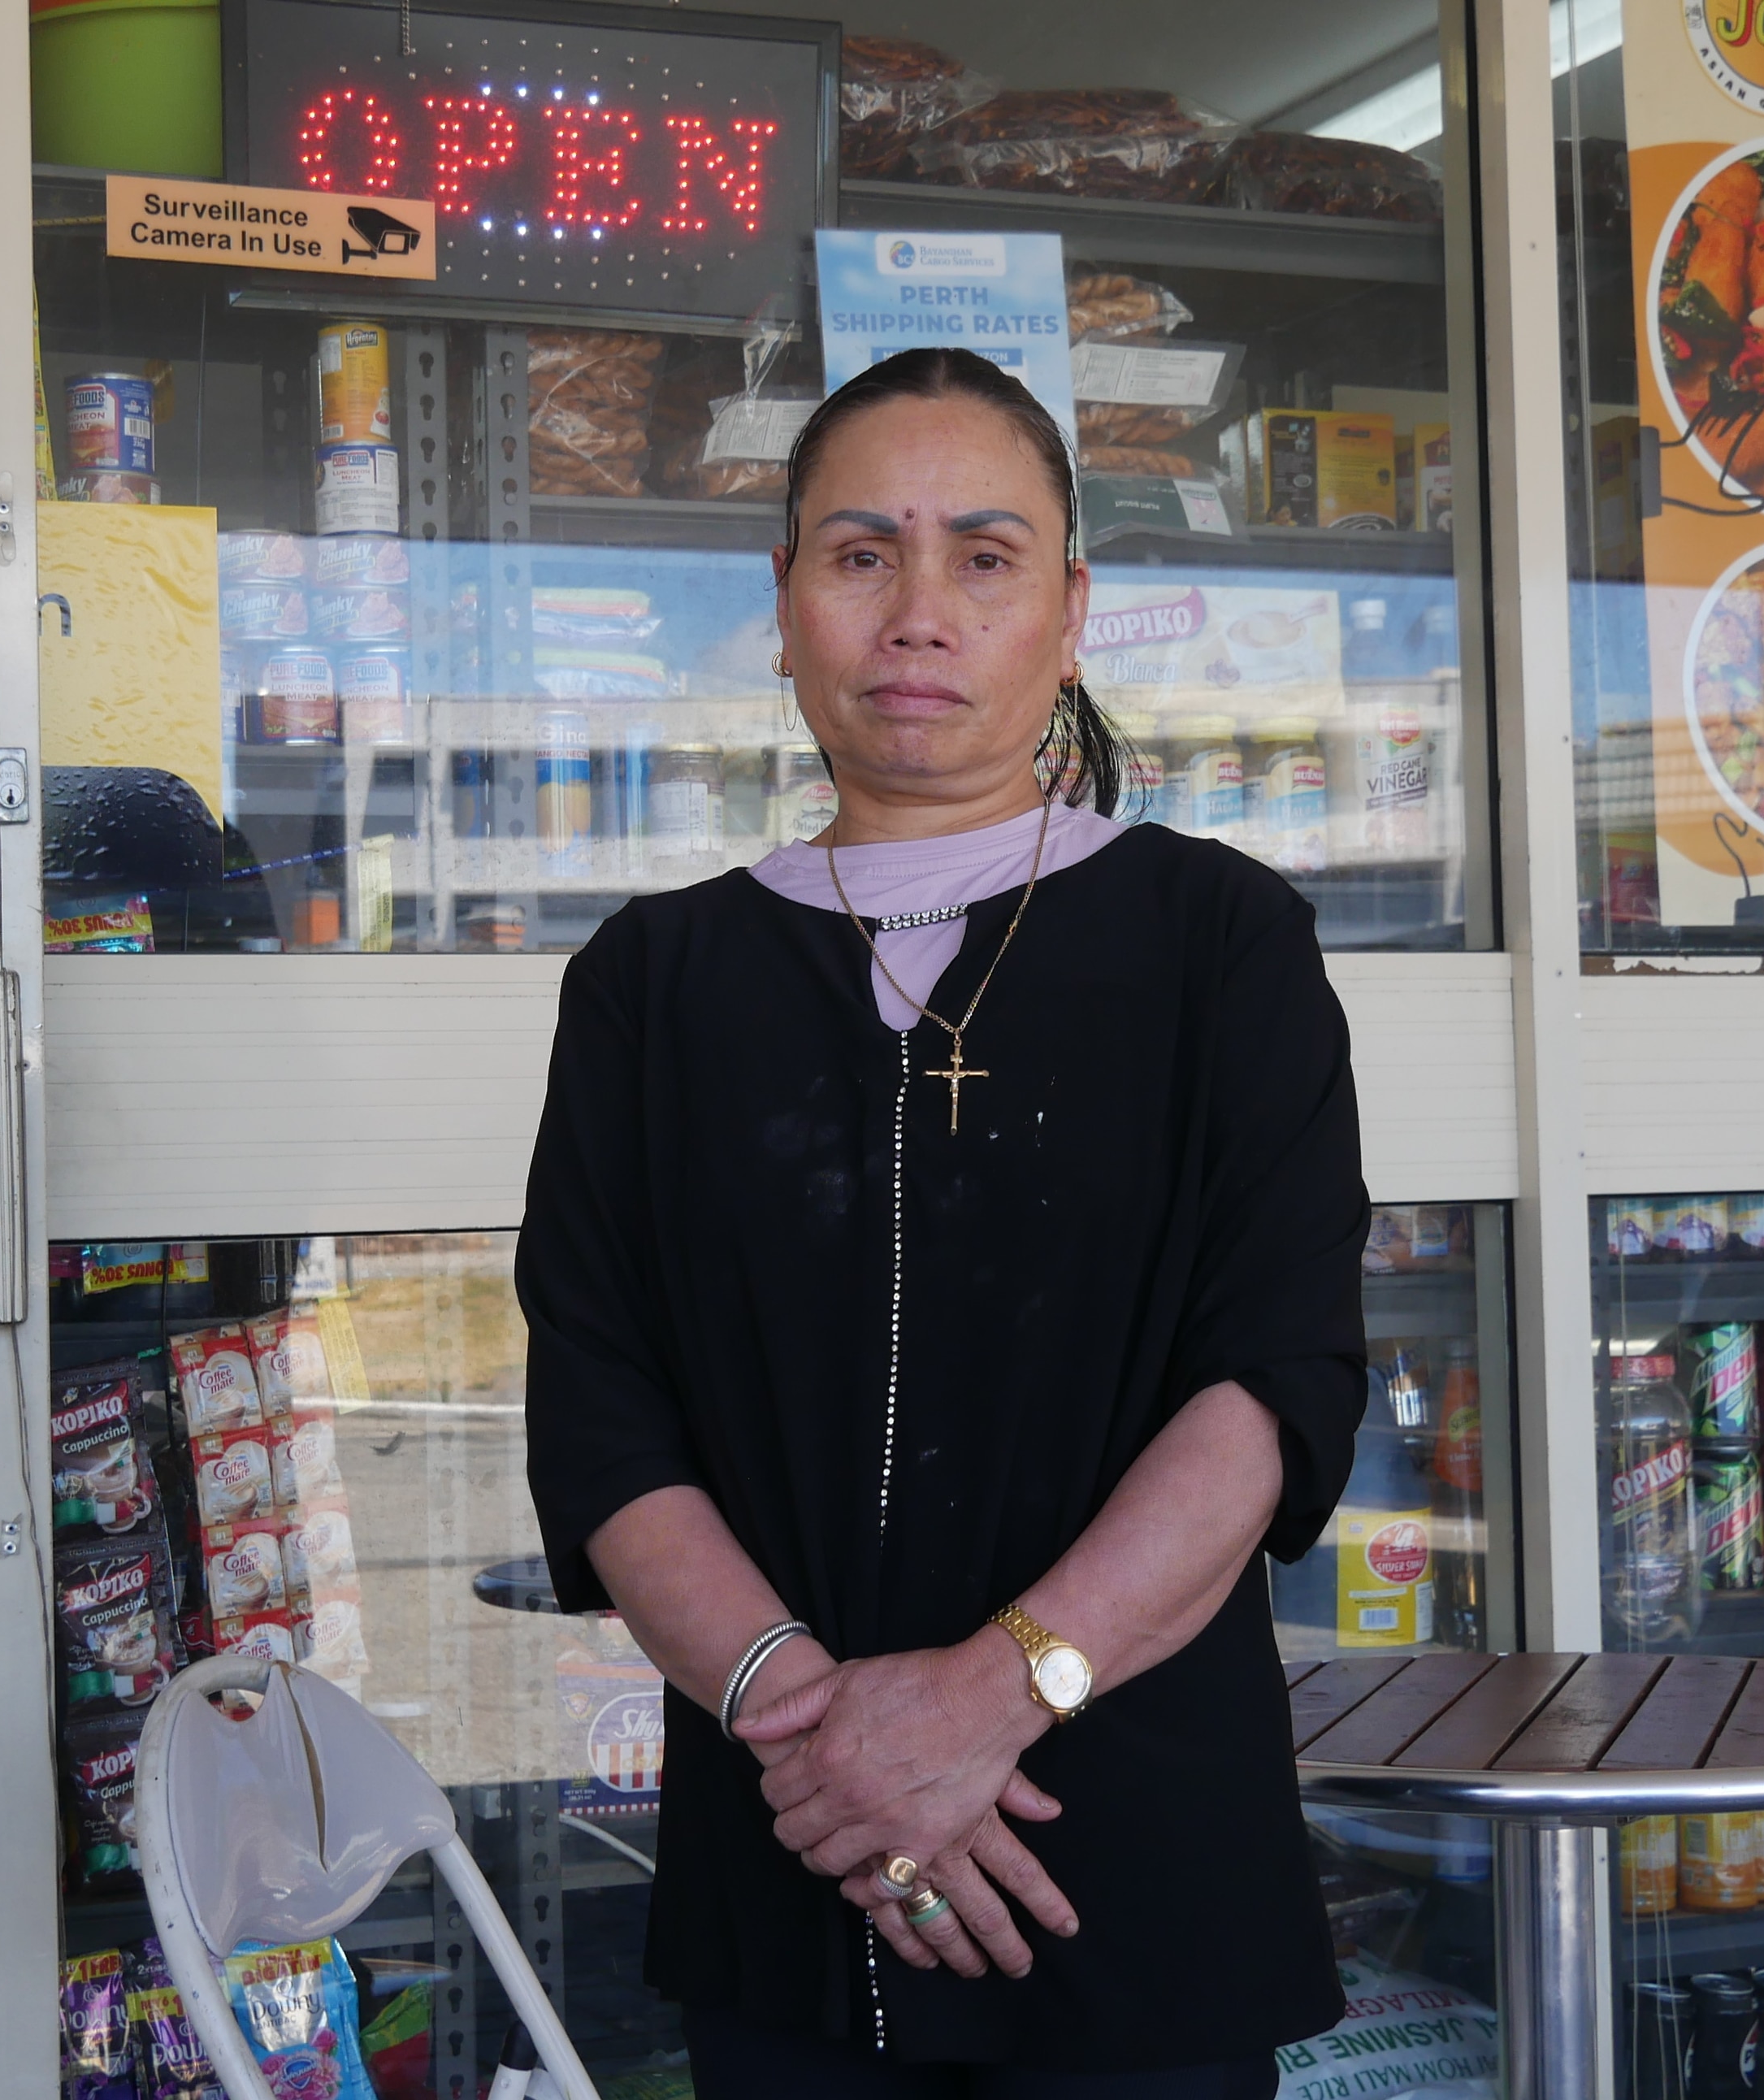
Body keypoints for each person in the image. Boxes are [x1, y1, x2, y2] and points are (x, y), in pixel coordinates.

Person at [519, 346, 1371, 2096]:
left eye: (983, 557)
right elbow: (602, 1418)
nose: (918, 610)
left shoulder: (1225, 945)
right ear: (781, 605)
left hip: (1121, 1854)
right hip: (792, 1847)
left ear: (1069, 612)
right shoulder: (653, 983)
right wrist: (823, 1738)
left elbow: (1271, 1386)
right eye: (858, 553)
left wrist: (990, 1697)